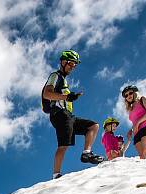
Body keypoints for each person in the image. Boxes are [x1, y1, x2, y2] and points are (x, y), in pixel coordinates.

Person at [42, 49, 104, 179]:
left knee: (93, 126)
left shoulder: (63, 80)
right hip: (59, 114)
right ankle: (56, 174)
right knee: (64, 144)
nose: (73, 67)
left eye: (75, 65)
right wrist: (67, 97)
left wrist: (69, 97)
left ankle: (86, 153)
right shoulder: (55, 76)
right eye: (71, 63)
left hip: (69, 115)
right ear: (63, 62)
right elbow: (47, 94)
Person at [121, 85, 146, 160]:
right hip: (137, 131)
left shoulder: (142, 99)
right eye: (126, 95)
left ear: (135, 93)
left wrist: (137, 123)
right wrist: (131, 130)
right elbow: (135, 121)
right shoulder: (130, 109)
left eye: (130, 93)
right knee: (142, 156)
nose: (128, 96)